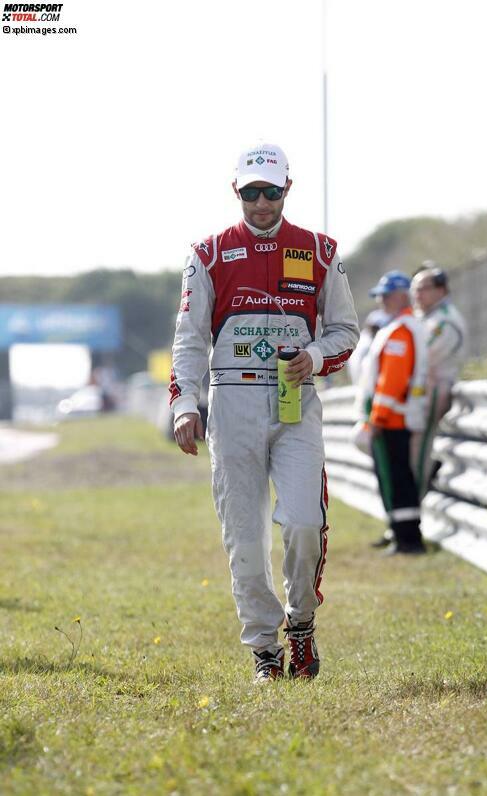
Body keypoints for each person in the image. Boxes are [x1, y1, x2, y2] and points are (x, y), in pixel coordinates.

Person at [169, 142, 359, 682]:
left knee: (303, 522)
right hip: (232, 402)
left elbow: (346, 331)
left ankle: (301, 625)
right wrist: (184, 403)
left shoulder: (320, 251)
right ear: (237, 191)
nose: (260, 203)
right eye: (251, 192)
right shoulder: (206, 253)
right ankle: (264, 652)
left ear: (286, 190)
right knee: (244, 534)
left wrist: (316, 356)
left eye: (269, 192)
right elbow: (188, 338)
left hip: (295, 400)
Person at [353, 271, 428, 555]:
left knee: (395, 479)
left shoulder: (400, 331)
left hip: (392, 419)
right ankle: (404, 537)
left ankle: (407, 539)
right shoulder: (401, 327)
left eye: (385, 295)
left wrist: (378, 418)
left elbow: (392, 381)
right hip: (395, 417)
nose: (381, 301)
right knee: (397, 478)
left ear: (399, 296)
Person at [411, 264, 468, 496]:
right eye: (414, 289)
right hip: (418, 393)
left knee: (418, 456)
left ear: (441, 290)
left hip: (434, 392)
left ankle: (413, 514)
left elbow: (422, 358)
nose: (417, 294)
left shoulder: (444, 321)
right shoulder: (425, 317)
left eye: (423, 288)